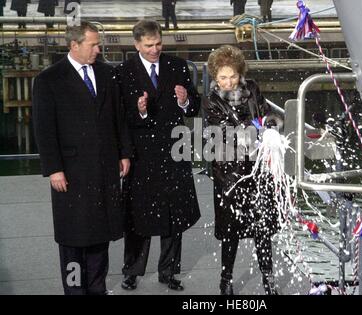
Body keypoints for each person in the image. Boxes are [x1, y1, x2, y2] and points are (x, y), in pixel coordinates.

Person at [32, 21, 132, 295]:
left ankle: (97, 288)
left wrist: (124, 153)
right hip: (71, 172)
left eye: (98, 44)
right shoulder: (49, 79)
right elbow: (44, 129)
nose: (99, 50)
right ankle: (75, 290)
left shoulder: (107, 74)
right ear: (74, 45)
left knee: (101, 233)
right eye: (93, 45)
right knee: (73, 236)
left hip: (104, 169)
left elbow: (118, 117)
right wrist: (53, 169)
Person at [116, 20, 201, 292]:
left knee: (173, 214)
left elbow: (195, 107)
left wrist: (185, 100)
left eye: (158, 44)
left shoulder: (177, 66)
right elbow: (119, 118)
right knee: (137, 215)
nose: (155, 50)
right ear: (137, 45)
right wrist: (139, 110)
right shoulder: (123, 72)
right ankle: (131, 271)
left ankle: (168, 271)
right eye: (149, 45)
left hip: (174, 151)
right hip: (141, 155)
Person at [203, 45, 282, 295]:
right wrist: (254, 129)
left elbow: (267, 114)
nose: (229, 82)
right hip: (229, 174)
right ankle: (225, 280)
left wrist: (269, 127)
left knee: (262, 229)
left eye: (233, 76)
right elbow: (224, 133)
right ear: (215, 77)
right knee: (231, 232)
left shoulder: (253, 89)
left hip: (257, 171)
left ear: (241, 74)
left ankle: (269, 280)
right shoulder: (210, 101)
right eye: (223, 77)